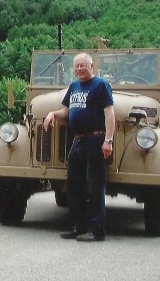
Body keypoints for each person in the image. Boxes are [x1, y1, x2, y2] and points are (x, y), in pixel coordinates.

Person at [43, 53, 115, 242]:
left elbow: (110, 114)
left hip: (95, 140)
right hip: (78, 141)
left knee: (95, 186)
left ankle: (97, 230)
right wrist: (52, 114)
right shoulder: (74, 87)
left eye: (83, 65)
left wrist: (108, 140)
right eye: (76, 66)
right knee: (74, 186)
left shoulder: (100, 85)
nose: (79, 69)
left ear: (92, 66)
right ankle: (78, 226)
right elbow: (66, 111)